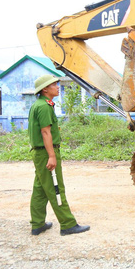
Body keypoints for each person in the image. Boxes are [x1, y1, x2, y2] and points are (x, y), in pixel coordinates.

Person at [29, 75, 90, 236]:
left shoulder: (40, 104)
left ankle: (37, 224)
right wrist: (52, 156)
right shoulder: (43, 107)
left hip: (40, 152)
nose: (57, 86)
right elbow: (45, 131)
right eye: (54, 84)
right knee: (56, 188)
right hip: (46, 152)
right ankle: (68, 224)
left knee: (40, 189)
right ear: (45, 89)